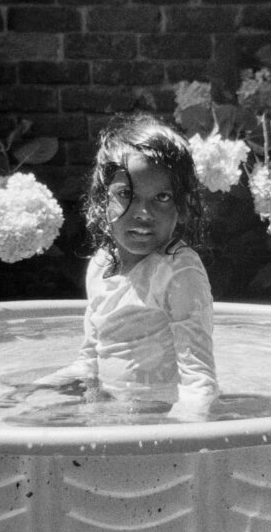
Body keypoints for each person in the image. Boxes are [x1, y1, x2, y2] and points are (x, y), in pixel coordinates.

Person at [39, 113, 218, 420]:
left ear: (183, 206)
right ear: (101, 201)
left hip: (159, 417)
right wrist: (38, 390)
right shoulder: (101, 264)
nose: (143, 212)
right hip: (112, 409)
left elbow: (199, 380)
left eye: (162, 197)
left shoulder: (178, 271)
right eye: (125, 195)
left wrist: (177, 434)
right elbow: (90, 360)